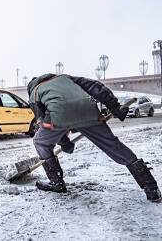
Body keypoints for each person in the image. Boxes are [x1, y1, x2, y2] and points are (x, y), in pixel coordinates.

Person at [27, 73, 161, 202]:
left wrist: (64, 142)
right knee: (114, 146)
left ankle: (56, 183)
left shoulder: (34, 93)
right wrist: (115, 107)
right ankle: (151, 188)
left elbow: (45, 122)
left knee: (40, 142)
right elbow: (96, 87)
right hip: (89, 112)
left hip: (59, 117)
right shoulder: (66, 78)